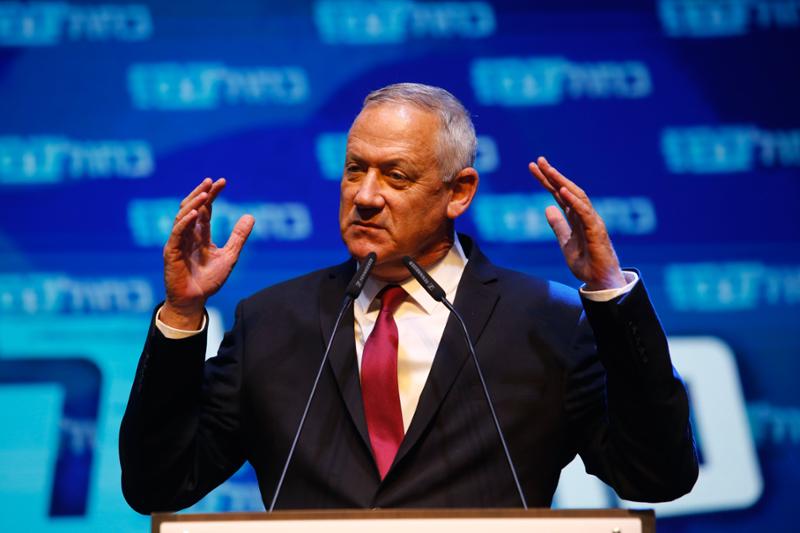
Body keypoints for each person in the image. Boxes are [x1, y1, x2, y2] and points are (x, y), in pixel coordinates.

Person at [119, 83, 698, 513]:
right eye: (355, 170)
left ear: (459, 192)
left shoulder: (546, 321)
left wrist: (609, 294)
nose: (365, 196)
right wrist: (182, 314)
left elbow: (655, 476)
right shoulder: (270, 323)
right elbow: (159, 486)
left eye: (395, 176)